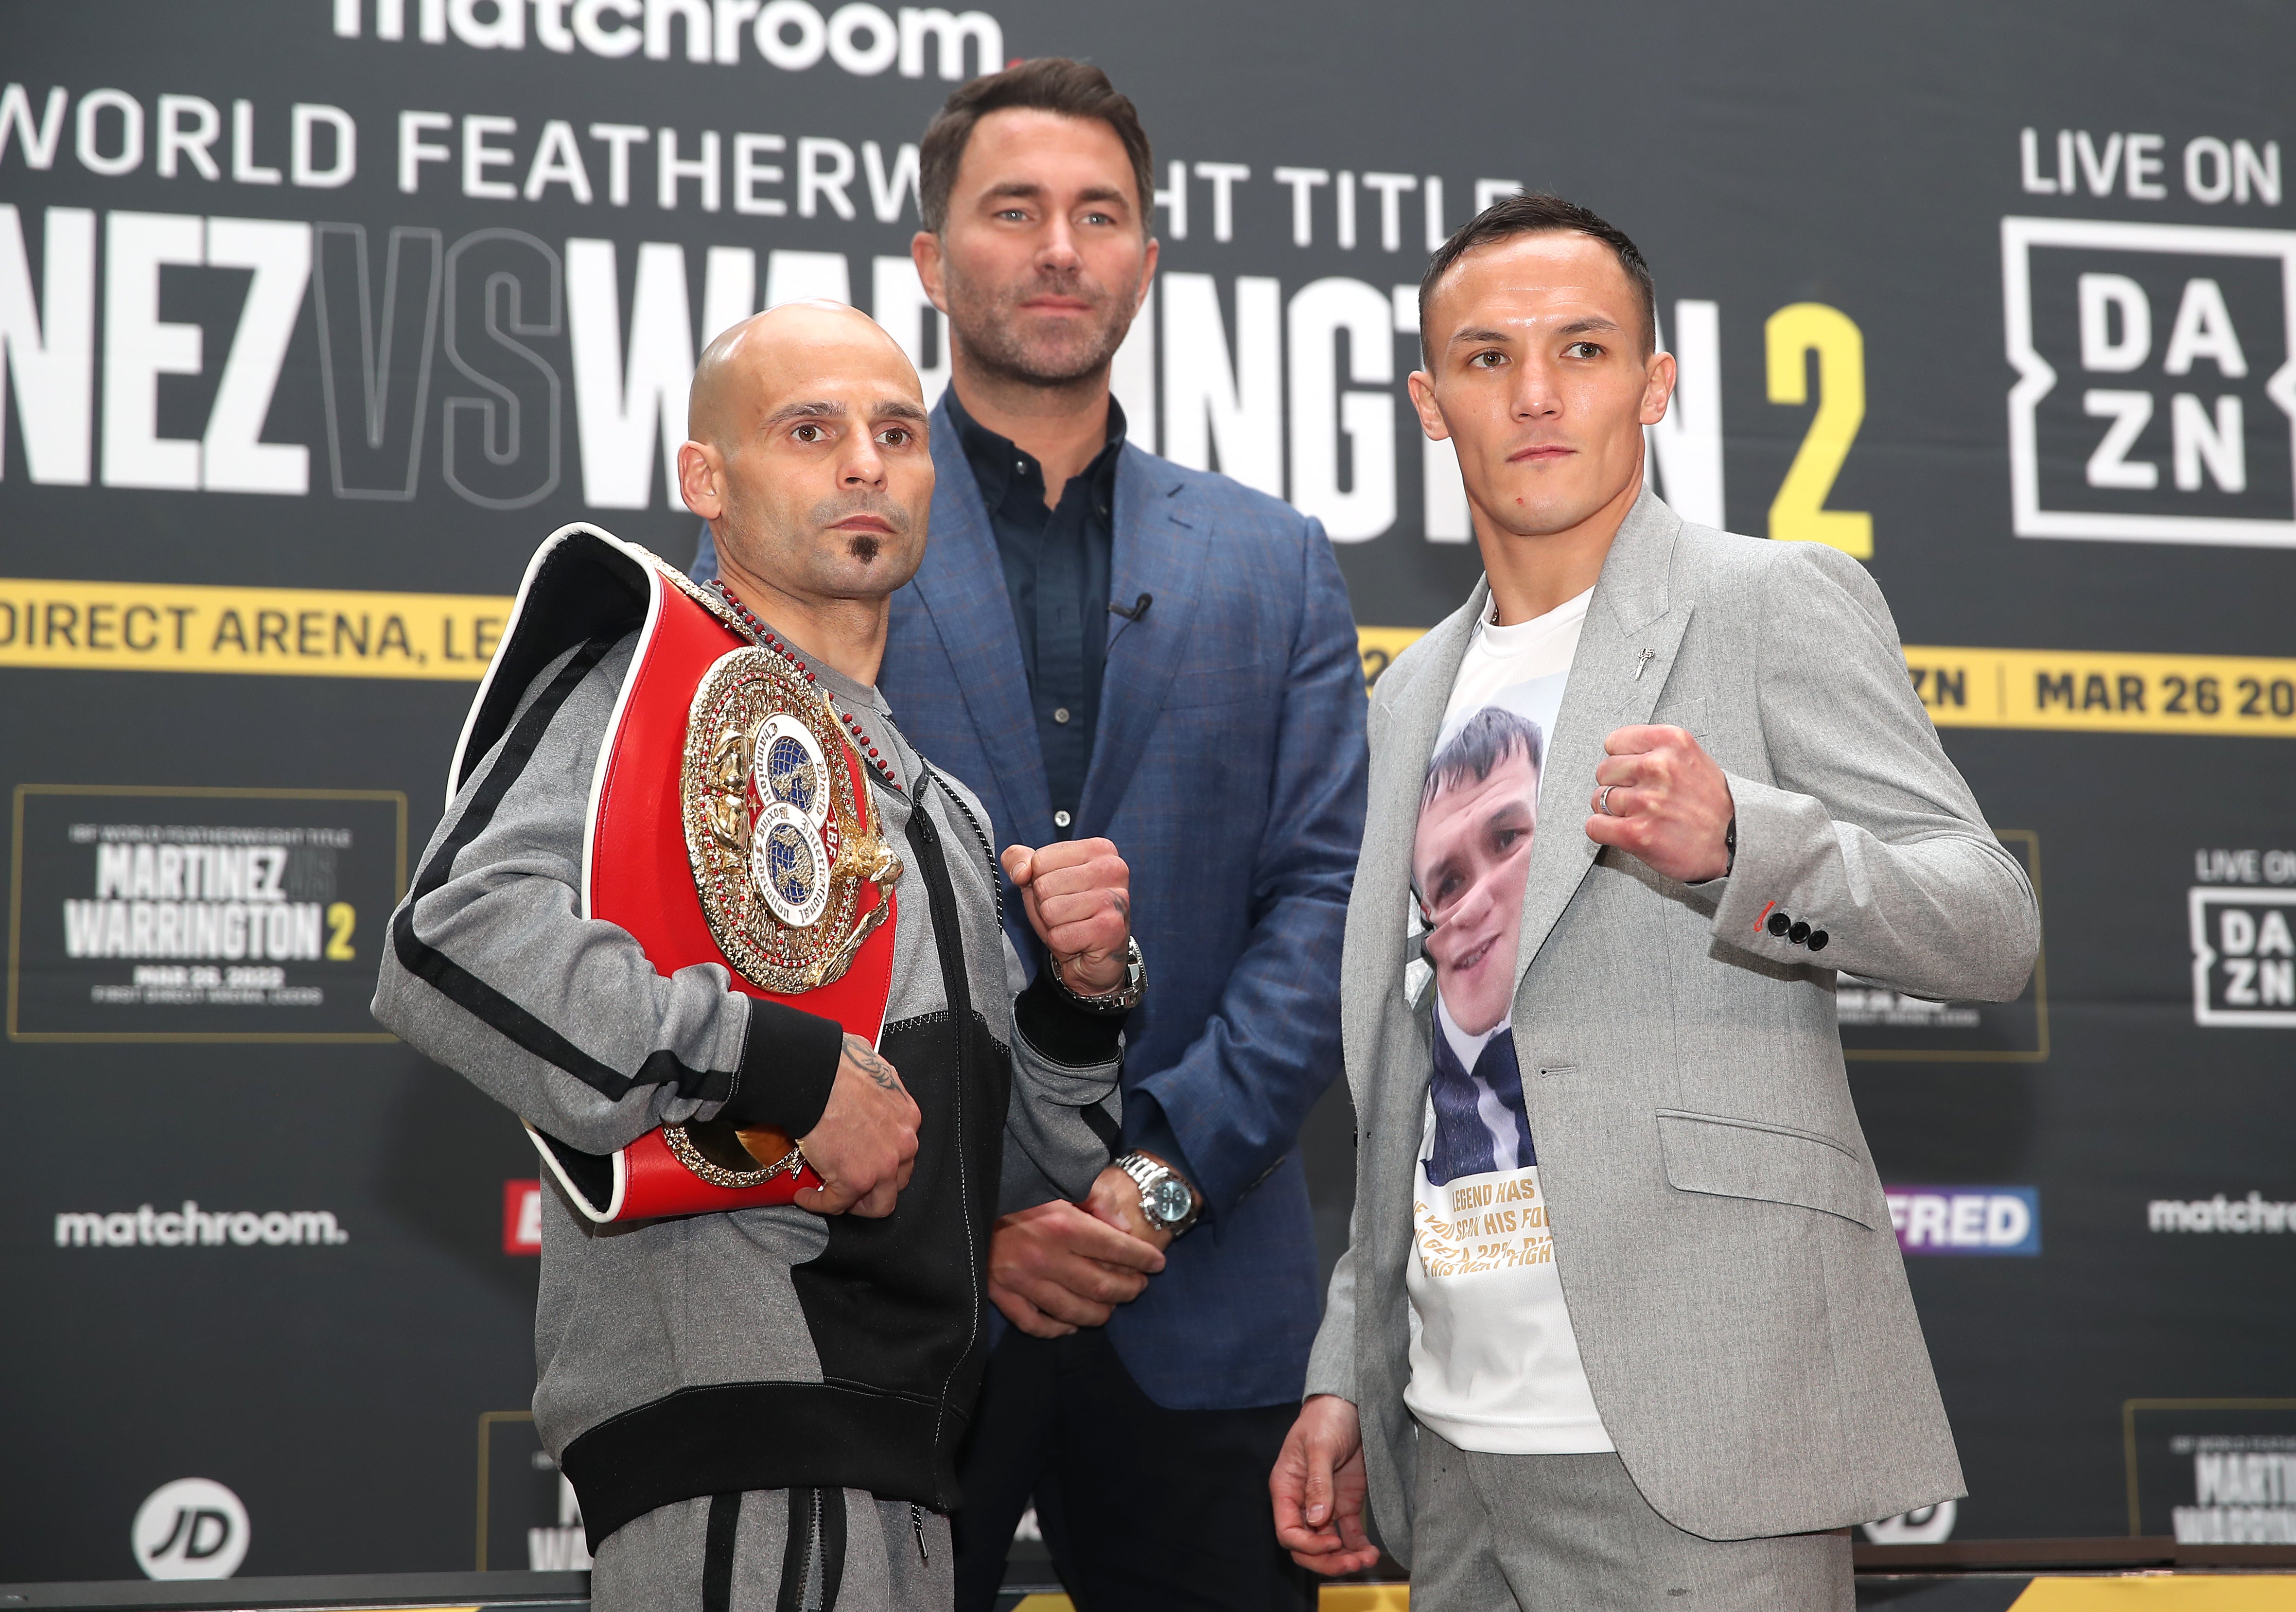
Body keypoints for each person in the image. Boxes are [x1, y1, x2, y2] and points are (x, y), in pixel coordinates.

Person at [1270, 193, 2041, 1611]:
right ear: (1429, 405)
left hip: (1702, 1426)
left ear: (1657, 382)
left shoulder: (1766, 603)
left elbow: (1990, 920)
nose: (1540, 393)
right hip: (1450, 1441)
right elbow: (1414, 1074)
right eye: (1489, 359)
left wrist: (1746, 840)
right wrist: (1345, 1368)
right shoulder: (1407, 695)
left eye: (1583, 347)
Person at [715, 55, 1367, 1612]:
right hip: (900, 1293)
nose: (1060, 247)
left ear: (1149, 252)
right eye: (1015, 211)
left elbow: (1326, 905)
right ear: (935, 260)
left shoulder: (1273, 561)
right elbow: (761, 898)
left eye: (1099, 214)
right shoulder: (810, 523)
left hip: (1206, 1300)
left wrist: (1145, 1183)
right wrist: (993, 1208)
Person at [373, 300, 1145, 1612]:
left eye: (897, 433)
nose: (865, 463)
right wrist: (774, 1063)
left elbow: (984, 1164)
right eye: (811, 429)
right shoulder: (645, 683)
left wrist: (1079, 1005)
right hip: (737, 1422)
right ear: (705, 479)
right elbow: (449, 941)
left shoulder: (938, 801)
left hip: (906, 1450)